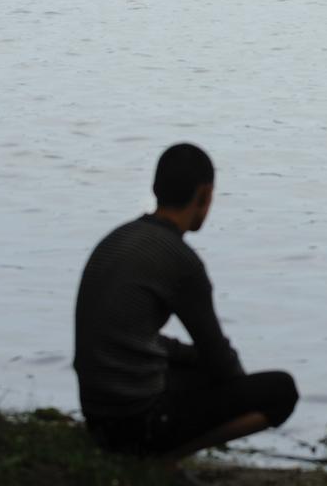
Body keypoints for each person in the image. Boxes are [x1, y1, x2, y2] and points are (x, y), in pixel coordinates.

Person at [74, 144, 298, 461]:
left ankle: (145, 452)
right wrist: (238, 390)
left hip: (97, 415)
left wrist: (192, 360)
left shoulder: (117, 239)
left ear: (155, 188)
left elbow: (131, 336)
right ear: (204, 196)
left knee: (196, 364)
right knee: (281, 392)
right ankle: (163, 457)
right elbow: (219, 358)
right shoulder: (180, 261)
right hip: (138, 423)